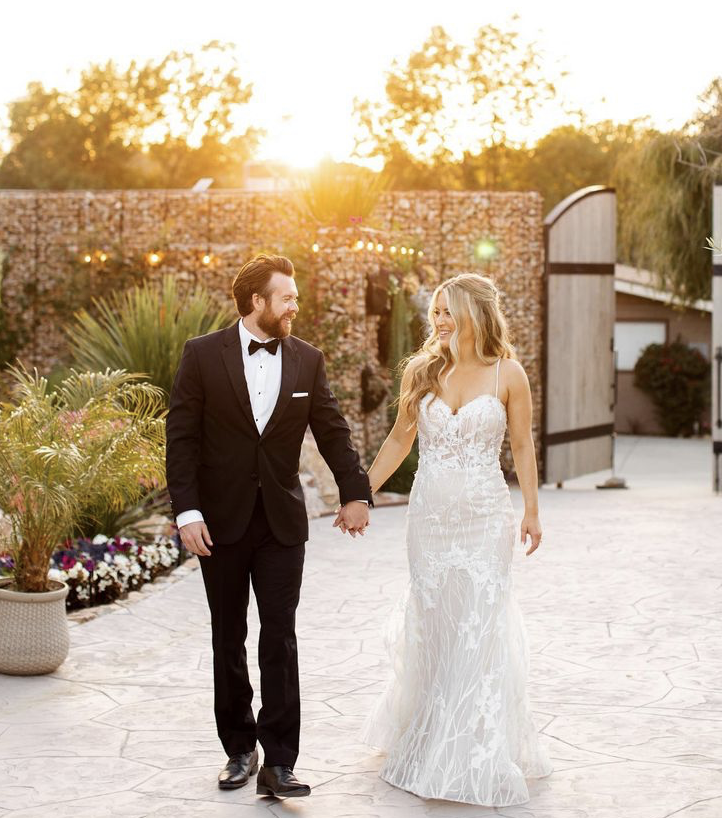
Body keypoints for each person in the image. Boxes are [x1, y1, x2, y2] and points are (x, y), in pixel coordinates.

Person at [166, 253, 372, 798]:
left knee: (279, 638)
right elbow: (181, 438)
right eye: (287, 297)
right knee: (227, 636)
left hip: (282, 523)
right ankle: (238, 749)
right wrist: (186, 511)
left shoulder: (307, 359)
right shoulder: (202, 355)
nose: (294, 305)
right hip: (218, 524)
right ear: (257, 301)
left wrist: (355, 493)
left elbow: (332, 430)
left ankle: (279, 761)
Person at [358, 272, 553, 806]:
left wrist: (531, 511)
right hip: (430, 522)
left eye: (448, 311)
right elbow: (400, 437)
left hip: (486, 520)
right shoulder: (423, 370)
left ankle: (478, 745)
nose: (438, 320)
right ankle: (431, 731)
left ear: (474, 313)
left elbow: (522, 445)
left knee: (479, 625)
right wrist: (361, 492)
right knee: (438, 623)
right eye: (436, 312)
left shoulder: (508, 373)